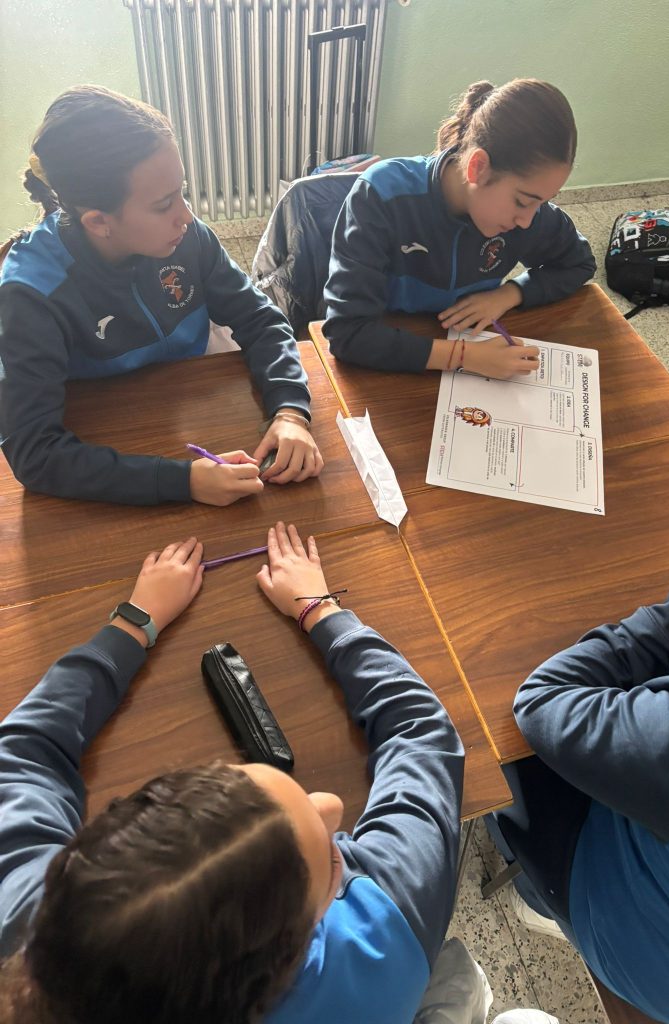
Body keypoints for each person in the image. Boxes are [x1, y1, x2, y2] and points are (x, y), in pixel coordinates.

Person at [0, 521, 465, 1024]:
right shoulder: (383, 948)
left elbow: (22, 752)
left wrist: (136, 620)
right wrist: (318, 608)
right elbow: (421, 735)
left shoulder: (40, 932)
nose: (329, 803)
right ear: (283, 964)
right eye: (332, 862)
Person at [494, 517, 669, 1024]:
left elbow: (541, 701)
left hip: (657, 967)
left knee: (504, 747)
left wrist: (666, 624)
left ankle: (538, 898)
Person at [0, 85, 323, 506]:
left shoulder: (187, 237)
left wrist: (290, 411)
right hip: (107, 433)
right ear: (98, 221)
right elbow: (35, 454)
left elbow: (261, 320)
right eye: (164, 204)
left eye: (181, 191)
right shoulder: (30, 293)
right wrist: (183, 482)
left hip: (191, 399)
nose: (186, 216)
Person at [323, 78, 596, 379]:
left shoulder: (529, 216)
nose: (528, 220)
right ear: (478, 167)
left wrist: (510, 294)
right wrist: (463, 356)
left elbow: (579, 263)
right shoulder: (382, 194)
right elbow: (348, 332)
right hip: (389, 352)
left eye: (543, 202)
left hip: (459, 342)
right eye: (522, 201)